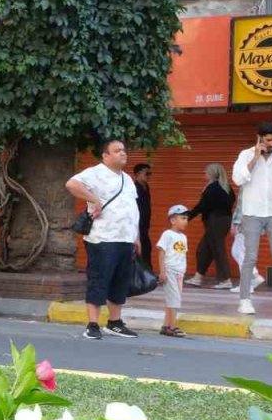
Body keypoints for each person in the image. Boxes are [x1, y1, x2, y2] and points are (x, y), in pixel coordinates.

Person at [65, 139, 141, 340]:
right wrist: (93, 198)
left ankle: (115, 322)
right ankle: (92, 324)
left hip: (125, 238)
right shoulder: (95, 173)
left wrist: (136, 236)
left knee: (120, 281)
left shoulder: (128, 179)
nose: (123, 153)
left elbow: (132, 210)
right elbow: (72, 184)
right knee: (99, 279)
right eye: (117, 150)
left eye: (124, 150)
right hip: (102, 238)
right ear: (105, 156)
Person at [231, 121, 272, 317]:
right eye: (269, 140)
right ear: (259, 138)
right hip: (252, 212)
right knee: (250, 257)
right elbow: (238, 179)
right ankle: (244, 300)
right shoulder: (245, 154)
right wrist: (255, 158)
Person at [187, 163, 236, 289]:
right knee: (204, 249)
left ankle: (225, 280)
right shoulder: (227, 188)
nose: (205, 174)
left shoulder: (212, 188)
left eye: (206, 172)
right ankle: (198, 277)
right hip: (224, 221)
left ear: (211, 173)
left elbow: (202, 206)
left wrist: (188, 217)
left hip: (215, 221)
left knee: (218, 250)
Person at [156, 205, 191, 338]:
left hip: (179, 273)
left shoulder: (183, 237)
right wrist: (162, 271)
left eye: (186, 219)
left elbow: (182, 256)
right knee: (174, 300)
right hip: (170, 270)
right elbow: (161, 252)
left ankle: (166, 326)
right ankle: (172, 326)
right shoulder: (167, 234)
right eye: (182, 218)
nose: (185, 221)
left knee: (173, 299)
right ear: (172, 220)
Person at [230, 194, 267, 295]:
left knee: (240, 252)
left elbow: (241, 206)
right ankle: (253, 277)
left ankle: (248, 283)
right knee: (238, 252)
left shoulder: (248, 186)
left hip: (245, 223)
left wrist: (236, 222)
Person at [134, 163, 153, 269]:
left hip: (145, 225)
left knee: (147, 248)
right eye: (147, 173)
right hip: (137, 225)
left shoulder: (146, 187)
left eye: (150, 173)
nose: (149, 176)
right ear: (138, 174)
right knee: (141, 249)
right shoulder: (134, 188)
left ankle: (147, 273)